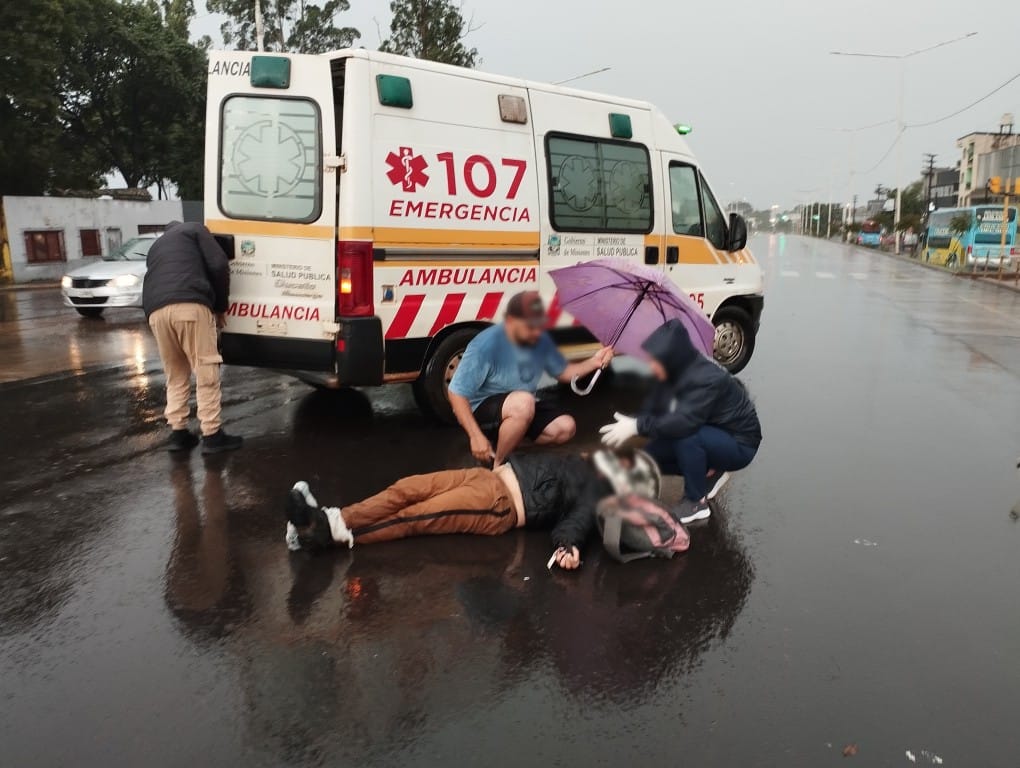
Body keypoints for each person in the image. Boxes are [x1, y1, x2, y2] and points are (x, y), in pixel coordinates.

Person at [284, 448, 662, 571]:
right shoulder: (585, 459)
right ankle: (333, 518)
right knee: (406, 490)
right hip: (484, 478)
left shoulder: (598, 491)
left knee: (417, 517)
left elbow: (577, 522)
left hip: (498, 505)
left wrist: (568, 547)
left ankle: (324, 536)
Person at [600, 319, 761, 524]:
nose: (651, 365)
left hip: (740, 442)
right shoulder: (674, 371)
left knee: (686, 435)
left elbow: (684, 423)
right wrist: (630, 445)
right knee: (652, 457)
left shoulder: (706, 378)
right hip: (712, 431)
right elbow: (656, 408)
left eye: (655, 360)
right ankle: (712, 470)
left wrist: (637, 427)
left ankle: (696, 503)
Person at [448, 291, 613, 466]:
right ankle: (497, 465)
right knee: (524, 402)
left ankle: (508, 443)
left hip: (519, 406)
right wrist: (475, 436)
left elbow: (564, 372)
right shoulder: (486, 345)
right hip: (482, 409)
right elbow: (456, 394)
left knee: (566, 427)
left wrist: (595, 361)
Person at [143, 221, 242, 454]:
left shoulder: (156, 245)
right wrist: (220, 306)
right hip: (190, 304)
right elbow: (218, 264)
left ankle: (178, 433)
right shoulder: (196, 230)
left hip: (156, 312)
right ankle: (212, 434)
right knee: (206, 369)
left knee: (176, 372)